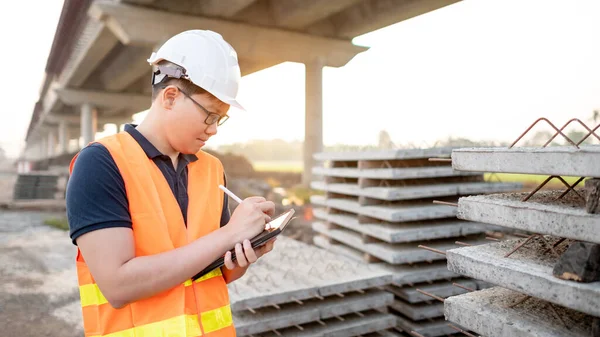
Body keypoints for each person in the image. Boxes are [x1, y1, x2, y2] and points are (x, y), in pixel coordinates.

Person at [66, 30, 276, 337]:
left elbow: (215, 271)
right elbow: (118, 285)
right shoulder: (102, 163)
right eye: (210, 115)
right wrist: (230, 233)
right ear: (171, 97)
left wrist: (246, 251)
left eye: (222, 119)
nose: (214, 130)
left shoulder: (211, 169)